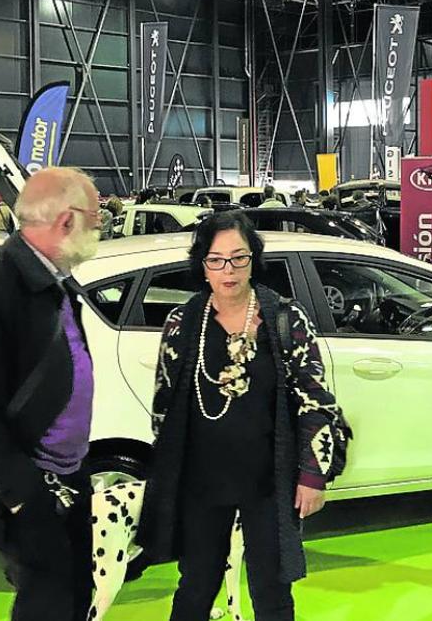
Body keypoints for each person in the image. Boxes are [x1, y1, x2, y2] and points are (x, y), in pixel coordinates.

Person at [139, 212, 343, 621]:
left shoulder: (285, 319)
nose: (227, 270)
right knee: (196, 583)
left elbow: (315, 402)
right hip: (202, 482)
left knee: (272, 590)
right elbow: (164, 406)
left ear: (254, 259)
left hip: (269, 480)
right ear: (202, 263)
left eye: (238, 258)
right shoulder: (183, 323)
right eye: (216, 259)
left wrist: (311, 475)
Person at [0, 167, 104, 621]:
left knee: (73, 596)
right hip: (31, 490)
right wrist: (24, 496)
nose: (101, 226)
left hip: (67, 480)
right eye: (97, 216)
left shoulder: (53, 280)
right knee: (46, 604)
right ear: (67, 220)